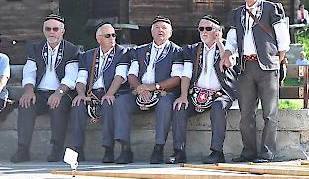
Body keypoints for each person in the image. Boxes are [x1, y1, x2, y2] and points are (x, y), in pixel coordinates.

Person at [221, 0, 290, 163]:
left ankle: (267, 153)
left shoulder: (271, 9)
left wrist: (278, 60)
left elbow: (283, 39)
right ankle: (248, 152)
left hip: (267, 66)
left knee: (269, 112)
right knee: (246, 114)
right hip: (245, 67)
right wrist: (228, 53)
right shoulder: (237, 13)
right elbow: (233, 39)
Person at [114, 16, 184, 164]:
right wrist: (140, 88)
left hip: (163, 91)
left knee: (166, 104)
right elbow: (131, 74)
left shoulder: (176, 51)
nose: (160, 30)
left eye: (164, 28)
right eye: (157, 27)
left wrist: (154, 87)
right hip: (140, 90)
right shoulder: (139, 51)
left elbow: (177, 78)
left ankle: (158, 148)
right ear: (151, 32)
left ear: (170, 33)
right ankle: (125, 149)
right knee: (121, 102)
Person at [11, 14, 80, 163]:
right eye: (48, 29)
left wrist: (58, 93)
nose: (51, 32)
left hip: (62, 93)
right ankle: (23, 150)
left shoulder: (72, 50)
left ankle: (56, 149)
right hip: (40, 93)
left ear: (62, 31)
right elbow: (29, 72)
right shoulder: (35, 48)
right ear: (44, 31)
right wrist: (28, 91)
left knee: (58, 105)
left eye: (55, 29)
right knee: (25, 104)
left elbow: (70, 77)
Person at [172, 15, 238, 164]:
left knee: (219, 106)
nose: (204, 32)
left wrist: (220, 42)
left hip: (221, 94)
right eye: (201, 28)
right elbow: (186, 74)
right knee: (179, 107)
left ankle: (217, 152)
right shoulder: (192, 49)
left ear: (217, 31)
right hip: (197, 94)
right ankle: (179, 151)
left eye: (208, 28)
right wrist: (183, 96)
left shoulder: (229, 47)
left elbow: (228, 62)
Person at [69, 23, 131, 163]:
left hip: (112, 92)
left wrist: (109, 94)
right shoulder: (88, 55)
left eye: (114, 35)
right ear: (98, 39)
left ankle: (108, 149)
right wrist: (80, 94)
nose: (112, 38)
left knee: (108, 104)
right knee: (77, 105)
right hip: (92, 93)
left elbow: (120, 76)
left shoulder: (122, 53)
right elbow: (81, 78)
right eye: (108, 35)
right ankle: (78, 149)